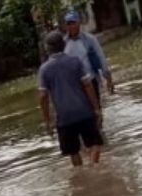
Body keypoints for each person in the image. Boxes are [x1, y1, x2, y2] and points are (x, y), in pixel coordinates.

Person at [38, 28, 103, 167]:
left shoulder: (44, 70)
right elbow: (88, 86)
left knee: (73, 152)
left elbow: (43, 97)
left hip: (64, 118)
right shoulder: (75, 61)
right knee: (95, 143)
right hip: (84, 112)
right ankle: (93, 167)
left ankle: (82, 176)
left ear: (47, 49)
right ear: (63, 45)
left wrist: (47, 120)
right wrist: (96, 108)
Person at [63, 10, 114, 100]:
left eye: (73, 23)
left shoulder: (90, 39)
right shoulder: (64, 43)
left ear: (79, 23)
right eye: (68, 24)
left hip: (91, 79)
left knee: (96, 108)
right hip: (75, 84)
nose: (71, 26)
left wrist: (108, 78)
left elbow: (101, 57)